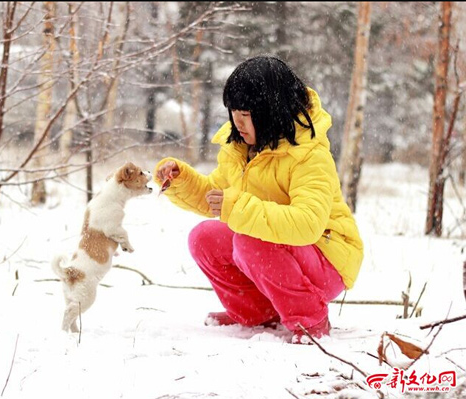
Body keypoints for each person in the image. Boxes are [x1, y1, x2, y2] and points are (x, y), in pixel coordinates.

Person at [154, 55, 363, 344]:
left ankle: (310, 319)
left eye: (246, 113)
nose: (237, 121)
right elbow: (217, 198)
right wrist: (180, 179)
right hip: (277, 251)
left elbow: (307, 224)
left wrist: (237, 208)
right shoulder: (242, 147)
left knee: (248, 239)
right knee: (204, 238)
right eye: (234, 111)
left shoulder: (310, 155)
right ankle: (257, 312)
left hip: (326, 257)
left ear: (271, 110)